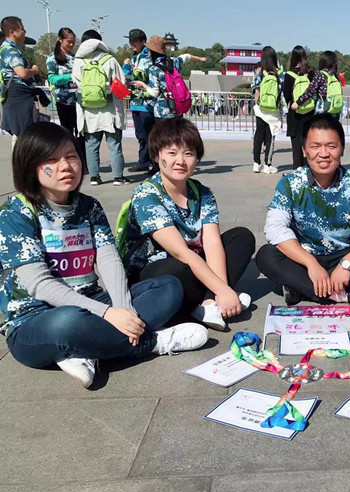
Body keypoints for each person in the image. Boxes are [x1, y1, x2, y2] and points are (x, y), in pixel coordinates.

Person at [0, 122, 209, 388]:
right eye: (51, 160)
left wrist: (124, 310)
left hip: (91, 301)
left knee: (168, 287)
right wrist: (108, 313)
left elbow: (109, 259)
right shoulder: (16, 212)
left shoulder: (89, 207)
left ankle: (87, 349)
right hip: (37, 318)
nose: (65, 167)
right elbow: (39, 285)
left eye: (71, 156)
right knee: (67, 323)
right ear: (29, 165)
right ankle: (151, 342)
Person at [124, 118, 256, 331]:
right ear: (156, 156)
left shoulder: (202, 192)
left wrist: (220, 290)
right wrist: (224, 290)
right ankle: (206, 303)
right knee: (176, 269)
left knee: (241, 237)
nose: (180, 161)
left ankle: (208, 304)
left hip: (192, 263)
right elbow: (180, 252)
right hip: (156, 271)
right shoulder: (147, 195)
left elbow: (212, 242)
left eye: (188, 153)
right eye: (172, 153)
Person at [256, 114, 350, 306]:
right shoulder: (290, 183)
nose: (323, 154)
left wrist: (346, 265)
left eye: (331, 146)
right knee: (267, 255)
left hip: (344, 255)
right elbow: (275, 228)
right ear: (304, 150)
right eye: (315, 146)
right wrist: (311, 263)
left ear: (342, 149)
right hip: (304, 257)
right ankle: (344, 294)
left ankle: (303, 289)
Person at [73, 30, 128, 186]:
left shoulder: (79, 62)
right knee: (114, 145)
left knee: (91, 145)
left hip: (89, 111)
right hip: (110, 110)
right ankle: (118, 177)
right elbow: (120, 83)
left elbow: (77, 84)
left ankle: (94, 177)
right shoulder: (110, 59)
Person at [132, 35, 206, 121]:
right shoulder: (173, 61)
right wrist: (200, 59)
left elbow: (154, 92)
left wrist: (142, 85)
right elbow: (186, 57)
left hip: (162, 111)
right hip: (177, 109)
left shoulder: (154, 69)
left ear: (151, 51)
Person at [46, 27, 86, 167]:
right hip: (63, 101)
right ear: (60, 40)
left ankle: (83, 162)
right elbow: (52, 79)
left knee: (81, 133)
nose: (71, 44)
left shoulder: (76, 58)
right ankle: (68, 160)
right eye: (68, 41)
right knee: (67, 133)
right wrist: (70, 77)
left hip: (78, 101)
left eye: (73, 42)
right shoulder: (52, 58)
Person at [0, 16, 42, 150]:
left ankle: (21, 160)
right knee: (23, 133)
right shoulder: (10, 50)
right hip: (18, 94)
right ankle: (21, 160)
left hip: (19, 94)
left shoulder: (11, 49)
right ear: (12, 32)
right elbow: (22, 73)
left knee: (21, 133)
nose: (25, 31)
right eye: (22, 28)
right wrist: (34, 70)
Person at [122, 29, 155, 174]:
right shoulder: (133, 57)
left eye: (135, 41)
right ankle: (143, 162)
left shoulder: (149, 57)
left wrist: (133, 71)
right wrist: (125, 67)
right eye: (130, 40)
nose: (132, 43)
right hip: (135, 102)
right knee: (141, 135)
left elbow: (144, 76)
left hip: (147, 103)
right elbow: (127, 77)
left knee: (150, 136)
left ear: (143, 42)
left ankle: (155, 164)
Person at [250, 46, 284, 174]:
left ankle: (256, 163)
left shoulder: (260, 73)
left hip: (261, 108)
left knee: (258, 134)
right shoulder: (280, 74)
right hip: (274, 110)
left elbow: (255, 90)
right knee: (270, 137)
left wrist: (256, 104)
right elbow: (282, 92)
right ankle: (267, 164)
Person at [283, 45, 315, 170]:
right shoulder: (311, 73)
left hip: (294, 113)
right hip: (310, 112)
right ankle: (309, 171)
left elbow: (286, 95)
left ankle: (297, 172)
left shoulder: (289, 75)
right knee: (308, 143)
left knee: (296, 146)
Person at [291, 50, 343, 118]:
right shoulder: (335, 76)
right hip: (335, 111)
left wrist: (298, 102)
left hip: (322, 108)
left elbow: (310, 90)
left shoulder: (320, 74)